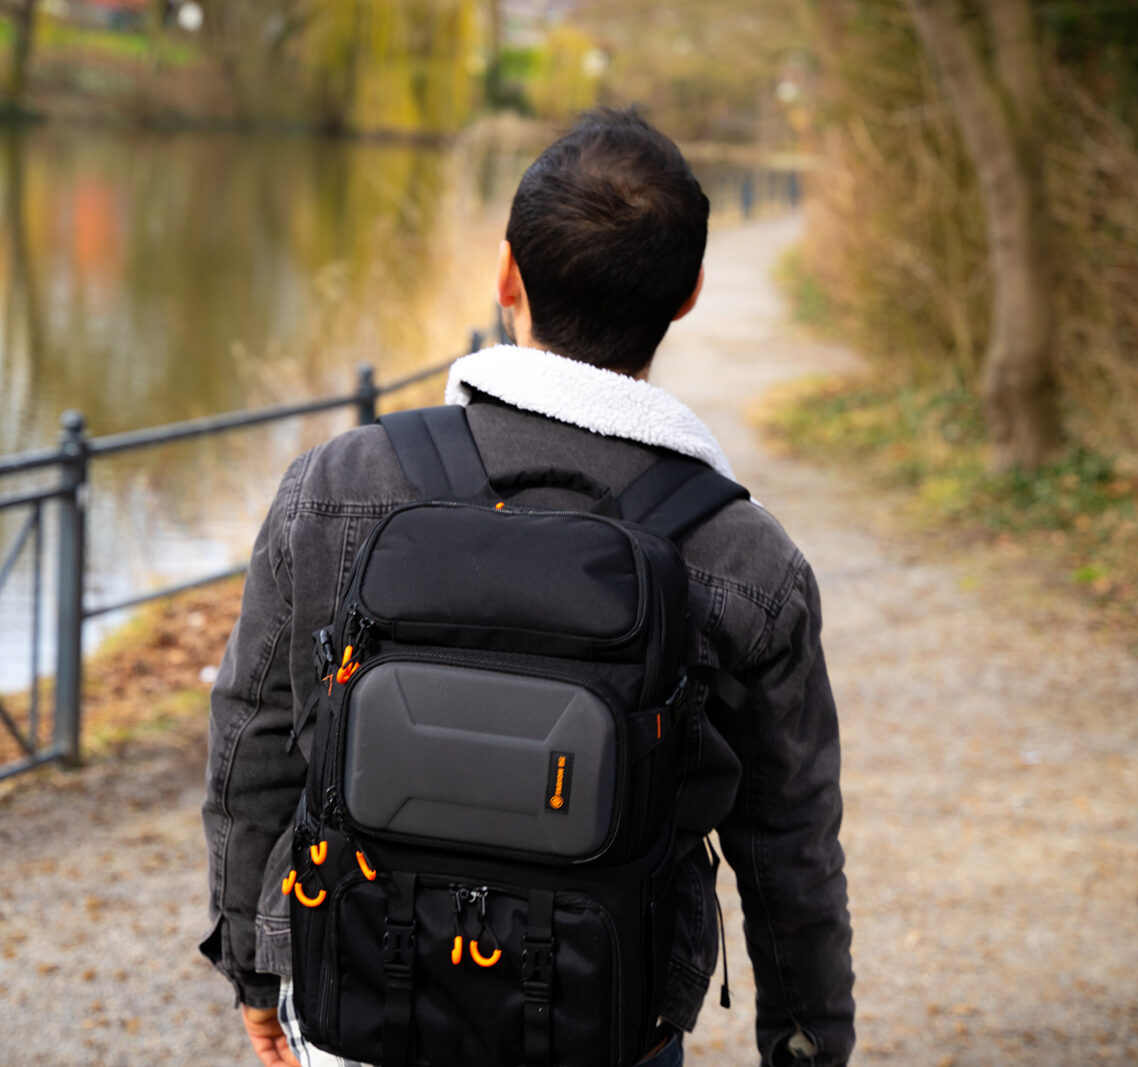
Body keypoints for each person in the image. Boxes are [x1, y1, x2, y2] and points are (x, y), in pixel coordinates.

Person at [201, 107, 855, 1067]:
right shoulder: (746, 557)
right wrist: (803, 1045)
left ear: (506, 273)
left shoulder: (339, 482)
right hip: (604, 1021)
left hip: (357, 991)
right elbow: (790, 843)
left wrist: (256, 964)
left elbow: (254, 736)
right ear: (688, 297)